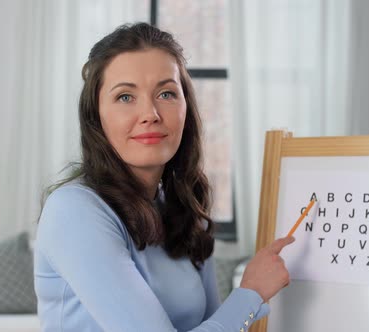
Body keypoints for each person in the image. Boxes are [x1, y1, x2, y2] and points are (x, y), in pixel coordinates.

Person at [34, 22, 294, 332]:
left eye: (166, 93)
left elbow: (212, 324)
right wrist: (250, 293)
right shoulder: (74, 210)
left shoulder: (185, 211)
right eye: (125, 97)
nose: (150, 113)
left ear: (187, 108)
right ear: (96, 116)